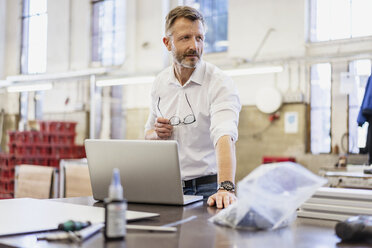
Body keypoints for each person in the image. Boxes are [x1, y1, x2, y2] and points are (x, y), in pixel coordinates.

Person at [144, 6, 241, 209]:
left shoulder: (219, 82)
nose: (194, 46)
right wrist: (157, 134)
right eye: (185, 38)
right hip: (166, 187)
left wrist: (225, 187)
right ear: (167, 43)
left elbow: (224, 135)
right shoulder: (160, 83)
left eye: (199, 38)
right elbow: (148, 133)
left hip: (207, 188)